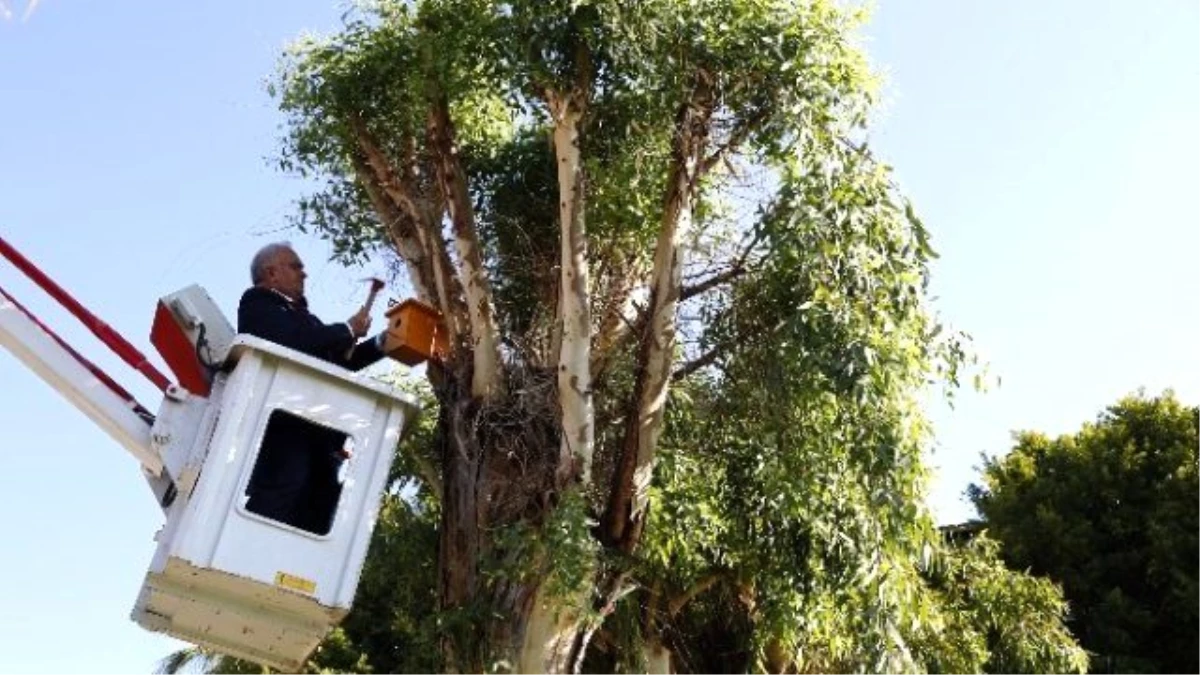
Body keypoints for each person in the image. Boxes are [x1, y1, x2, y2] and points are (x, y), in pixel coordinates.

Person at [236, 242, 386, 533]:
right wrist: (346, 330)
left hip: (319, 435)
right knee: (280, 496)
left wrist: (382, 343)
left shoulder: (307, 320)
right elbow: (291, 341)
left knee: (320, 509)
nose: (304, 274)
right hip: (285, 431)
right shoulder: (257, 304)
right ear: (271, 273)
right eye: (295, 266)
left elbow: (340, 364)